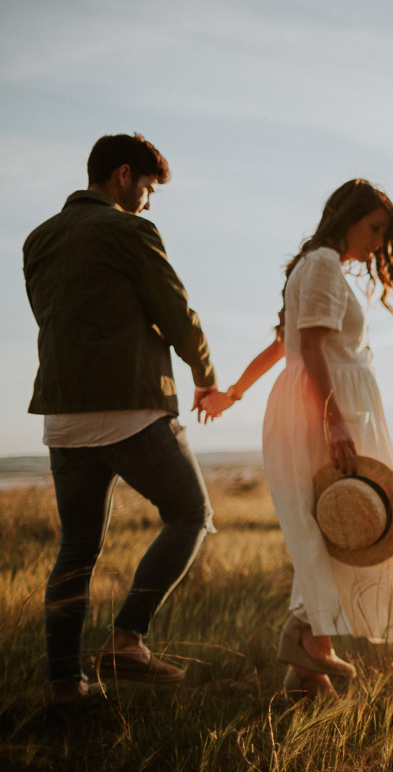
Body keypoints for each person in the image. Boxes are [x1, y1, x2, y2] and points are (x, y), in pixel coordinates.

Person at [206, 179, 393, 698]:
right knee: (342, 526)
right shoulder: (323, 266)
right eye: (374, 228)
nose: (378, 242)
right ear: (346, 217)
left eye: (384, 232)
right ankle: (310, 646)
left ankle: (308, 668)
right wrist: (336, 422)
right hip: (325, 411)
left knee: (335, 529)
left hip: (325, 406)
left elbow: (281, 343)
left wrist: (235, 393)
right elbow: (308, 348)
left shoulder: (314, 267)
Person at [23, 133, 228, 713]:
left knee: (77, 550)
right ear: (121, 176)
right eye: (147, 187)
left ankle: (64, 686)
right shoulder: (129, 229)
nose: (148, 201)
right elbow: (176, 310)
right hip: (130, 410)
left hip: (62, 420)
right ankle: (127, 639)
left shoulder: (37, 239)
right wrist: (205, 374)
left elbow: (56, 316)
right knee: (191, 514)